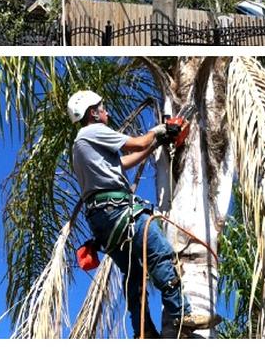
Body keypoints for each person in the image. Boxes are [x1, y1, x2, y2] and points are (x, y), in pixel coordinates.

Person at [67, 90, 218, 338]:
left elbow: (126, 161)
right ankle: (182, 314)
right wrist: (160, 130)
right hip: (117, 210)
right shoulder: (92, 131)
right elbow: (136, 142)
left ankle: (144, 332)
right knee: (160, 252)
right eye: (102, 108)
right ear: (92, 113)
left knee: (134, 275)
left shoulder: (84, 144)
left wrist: (156, 144)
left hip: (102, 222)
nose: (106, 111)